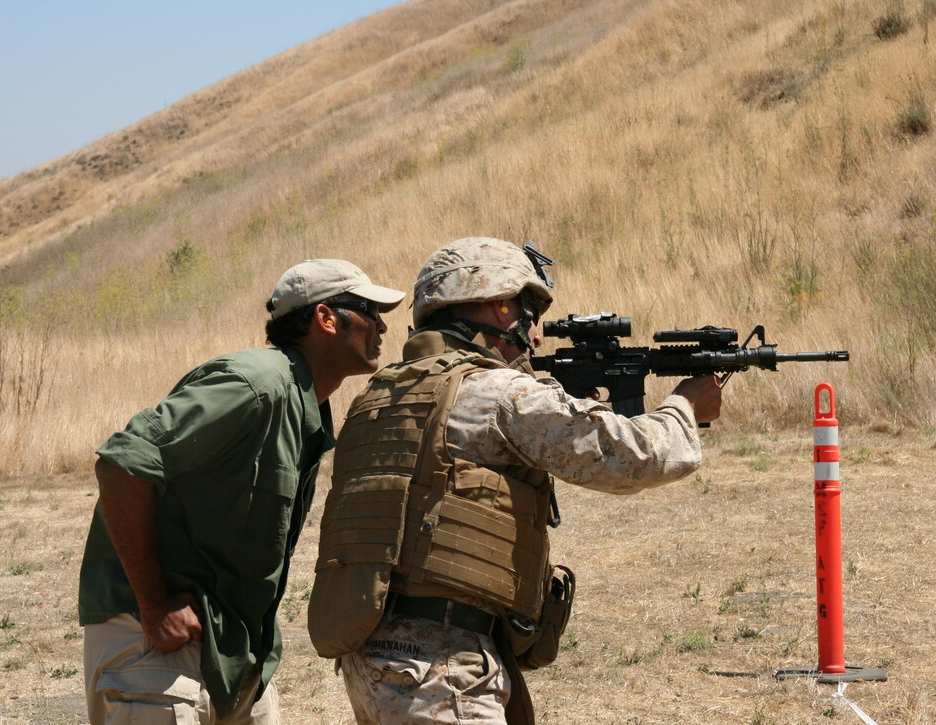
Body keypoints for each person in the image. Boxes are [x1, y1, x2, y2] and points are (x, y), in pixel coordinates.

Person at [307, 237, 722, 724]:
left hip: (373, 654)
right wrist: (685, 408)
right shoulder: (496, 392)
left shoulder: (378, 397)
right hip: (440, 667)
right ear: (494, 306)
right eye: (527, 312)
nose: (537, 336)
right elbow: (632, 457)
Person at [78, 258, 405, 724]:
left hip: (232, 658)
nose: (382, 325)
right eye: (368, 310)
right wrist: (153, 606)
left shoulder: (306, 404)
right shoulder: (257, 385)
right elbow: (122, 463)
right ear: (326, 318)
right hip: (158, 649)